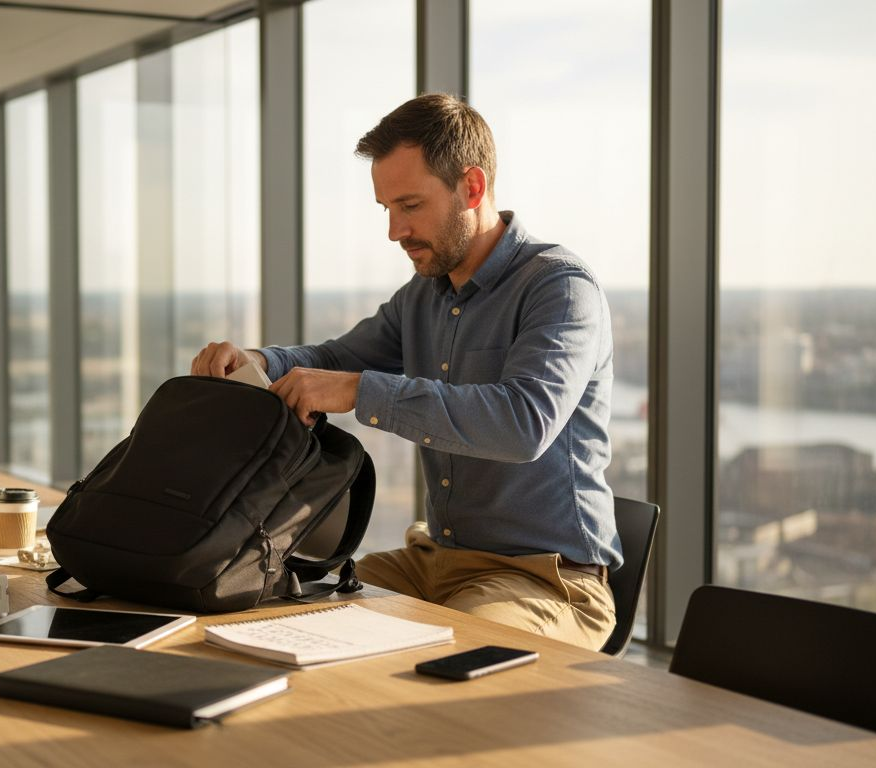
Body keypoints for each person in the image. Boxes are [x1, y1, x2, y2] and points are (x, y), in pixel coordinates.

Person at [190, 93, 620, 651]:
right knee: (267, 608)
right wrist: (259, 361)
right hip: (433, 560)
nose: (395, 231)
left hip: (544, 580)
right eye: (386, 209)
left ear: (472, 187)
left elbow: (523, 424)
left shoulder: (559, 288)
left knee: (446, 656)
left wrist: (360, 391)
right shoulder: (422, 297)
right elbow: (337, 359)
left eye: (410, 205)